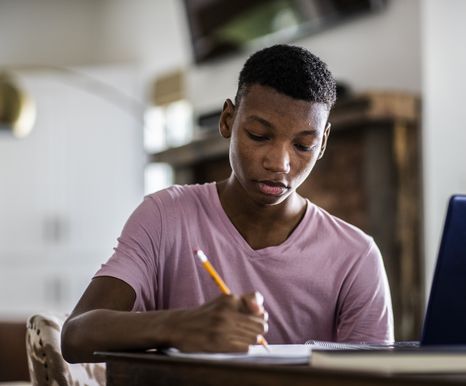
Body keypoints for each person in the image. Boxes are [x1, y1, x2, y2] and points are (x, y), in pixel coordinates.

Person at [61, 44, 394, 363]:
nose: (279, 163)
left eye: (303, 146)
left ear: (322, 145)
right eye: (259, 136)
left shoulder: (356, 257)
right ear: (228, 121)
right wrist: (180, 326)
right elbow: (75, 336)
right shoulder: (165, 216)